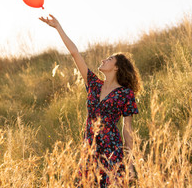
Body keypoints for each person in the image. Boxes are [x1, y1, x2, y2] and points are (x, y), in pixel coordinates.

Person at [39, 14, 141, 187]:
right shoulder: (93, 84)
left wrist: (130, 162)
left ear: (116, 67)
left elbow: (127, 130)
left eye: (109, 59)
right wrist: (58, 27)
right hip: (89, 149)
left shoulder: (125, 94)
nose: (103, 60)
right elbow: (74, 53)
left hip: (112, 150)